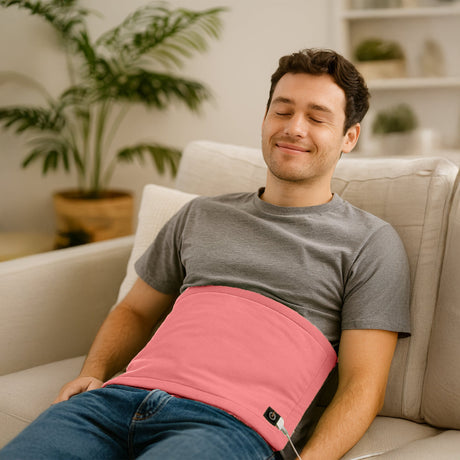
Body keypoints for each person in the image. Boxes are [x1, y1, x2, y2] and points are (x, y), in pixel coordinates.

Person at [0, 48, 410, 460]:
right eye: (282, 111)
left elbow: (362, 385)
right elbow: (135, 310)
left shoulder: (370, 242)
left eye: (317, 118)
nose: (294, 128)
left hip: (229, 425)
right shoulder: (200, 214)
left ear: (349, 137)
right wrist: (93, 373)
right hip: (115, 401)